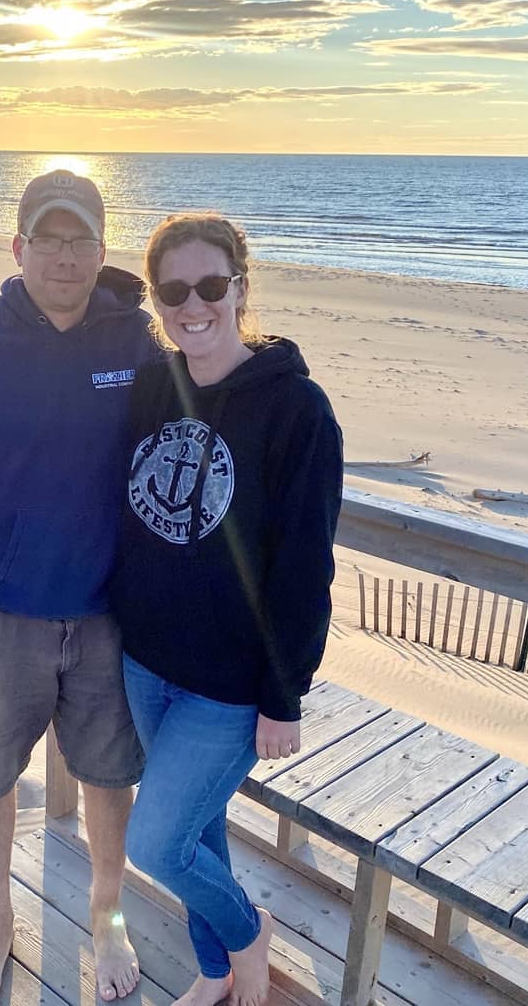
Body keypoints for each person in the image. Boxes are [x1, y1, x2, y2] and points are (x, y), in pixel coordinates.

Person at [0, 169, 160, 1006]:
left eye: (80, 239)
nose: (64, 256)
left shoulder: (138, 347)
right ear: (17, 248)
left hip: (110, 622)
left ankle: (107, 914)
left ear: (101, 250)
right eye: (46, 239)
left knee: (111, 776)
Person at [110, 213, 343, 1006]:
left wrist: (285, 696)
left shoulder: (298, 412)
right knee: (199, 830)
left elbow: (304, 568)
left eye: (211, 285)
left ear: (241, 287)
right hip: (145, 664)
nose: (193, 304)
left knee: (158, 842)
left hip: (231, 688)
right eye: (172, 291)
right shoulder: (152, 385)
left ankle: (247, 936)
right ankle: (215, 974)